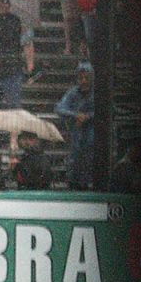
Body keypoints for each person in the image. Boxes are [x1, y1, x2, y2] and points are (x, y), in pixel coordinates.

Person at [0, 0, 33, 113]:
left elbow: (26, 43)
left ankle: (15, 130)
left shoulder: (17, 21)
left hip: (11, 69)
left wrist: (30, 63)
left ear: (9, 5)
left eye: (3, 2)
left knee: (14, 105)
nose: (0, 5)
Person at [55, 63, 95, 191]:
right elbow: (59, 108)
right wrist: (76, 115)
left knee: (90, 155)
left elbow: (106, 110)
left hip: (93, 131)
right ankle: (73, 182)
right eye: (81, 78)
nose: (83, 81)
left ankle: (89, 182)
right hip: (77, 132)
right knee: (75, 157)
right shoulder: (73, 92)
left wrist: (88, 117)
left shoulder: (98, 93)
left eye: (86, 78)